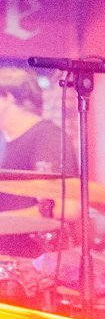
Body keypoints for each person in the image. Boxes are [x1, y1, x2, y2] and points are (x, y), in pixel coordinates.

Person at [0, 67, 79, 256]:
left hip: (34, 259)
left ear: (7, 98)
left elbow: (68, 209)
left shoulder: (47, 137)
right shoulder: (4, 140)